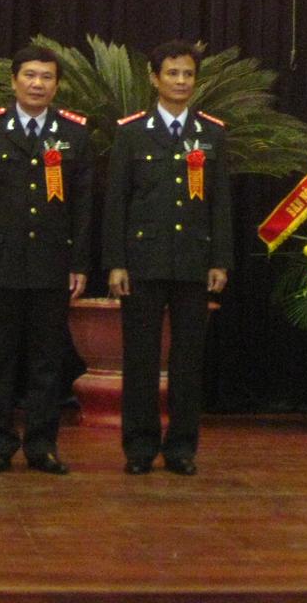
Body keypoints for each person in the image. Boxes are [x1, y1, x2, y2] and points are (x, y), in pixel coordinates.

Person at [0, 44, 93, 474]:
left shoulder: (74, 133)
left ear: (57, 85)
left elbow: (83, 207)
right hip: (0, 263)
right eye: (30, 76)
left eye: (47, 77)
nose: (38, 84)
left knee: (47, 362)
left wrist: (78, 263)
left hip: (52, 264)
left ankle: (42, 445)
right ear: (14, 80)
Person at [104, 40, 232, 476]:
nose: (180, 81)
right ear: (154, 78)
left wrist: (220, 259)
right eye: (172, 73)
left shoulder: (212, 133)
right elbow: (116, 202)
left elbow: (220, 203)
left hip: (194, 262)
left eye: (188, 74)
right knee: (140, 359)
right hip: (143, 261)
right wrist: (116, 262)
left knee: (187, 361)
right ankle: (139, 448)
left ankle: (181, 448)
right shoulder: (131, 132)